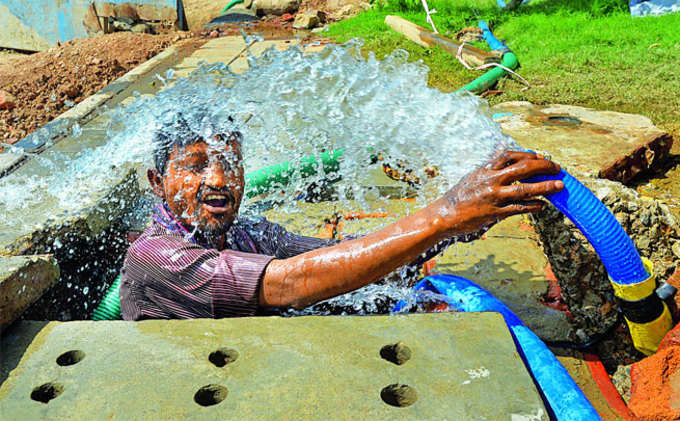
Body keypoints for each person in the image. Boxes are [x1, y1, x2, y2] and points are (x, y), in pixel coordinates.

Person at [120, 115, 564, 320]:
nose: (219, 178)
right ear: (157, 181)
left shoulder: (248, 232)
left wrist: (467, 222)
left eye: (230, 162)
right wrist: (445, 214)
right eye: (196, 165)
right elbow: (291, 284)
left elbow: (346, 260)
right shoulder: (156, 255)